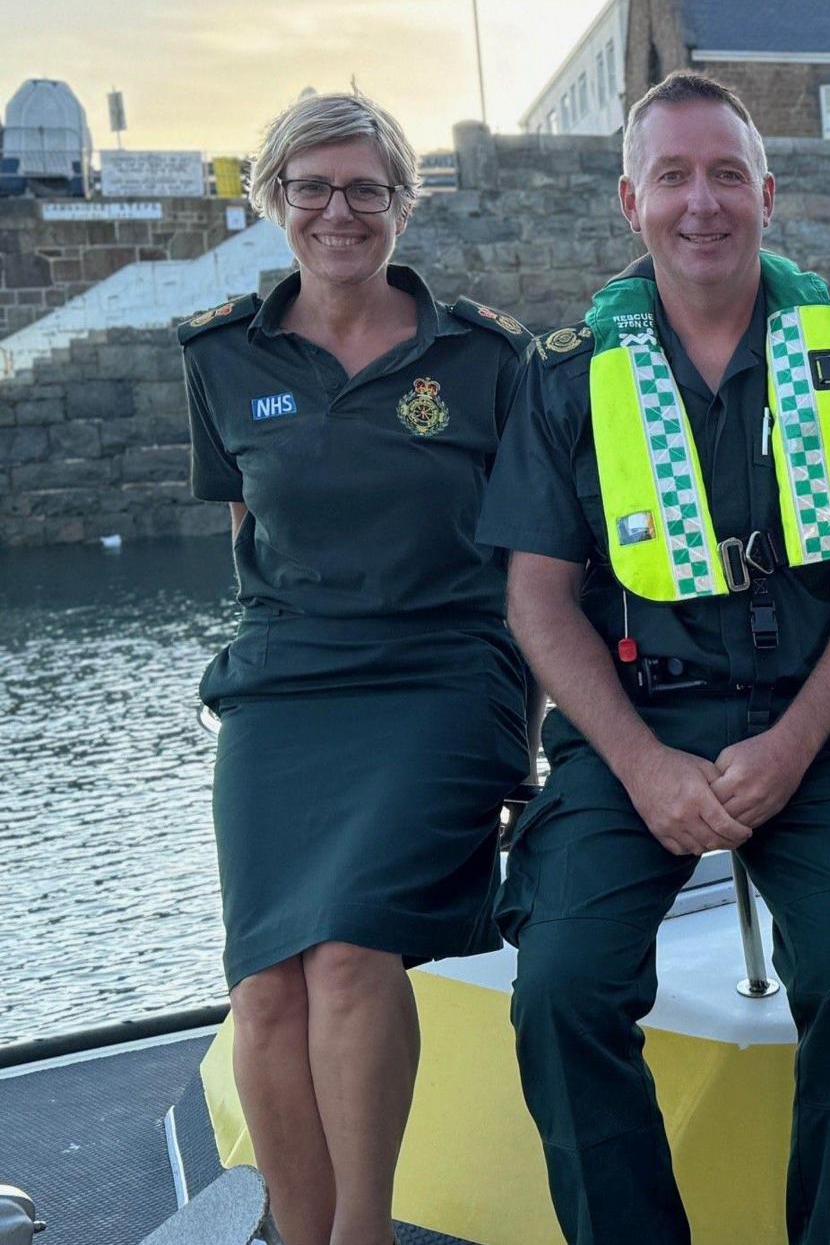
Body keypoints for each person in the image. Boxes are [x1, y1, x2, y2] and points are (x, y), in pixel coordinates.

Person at [476, 71, 830, 1244]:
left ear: (767, 190)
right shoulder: (565, 376)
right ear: (629, 199)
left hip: (815, 726)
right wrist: (644, 767)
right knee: (561, 989)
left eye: (728, 175)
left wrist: (795, 743)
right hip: (634, 729)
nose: (705, 202)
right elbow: (539, 603)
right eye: (675, 177)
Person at [181, 91, 534, 1245]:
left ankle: (360, 1233)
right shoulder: (222, 355)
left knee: (343, 953)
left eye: (365, 188)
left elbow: (537, 549)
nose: (339, 210)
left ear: (400, 203)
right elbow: (249, 533)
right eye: (312, 186)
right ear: (273, 196)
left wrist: (530, 726)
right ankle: (303, 1229)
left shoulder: (484, 357)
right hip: (285, 688)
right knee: (262, 986)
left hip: (441, 676)